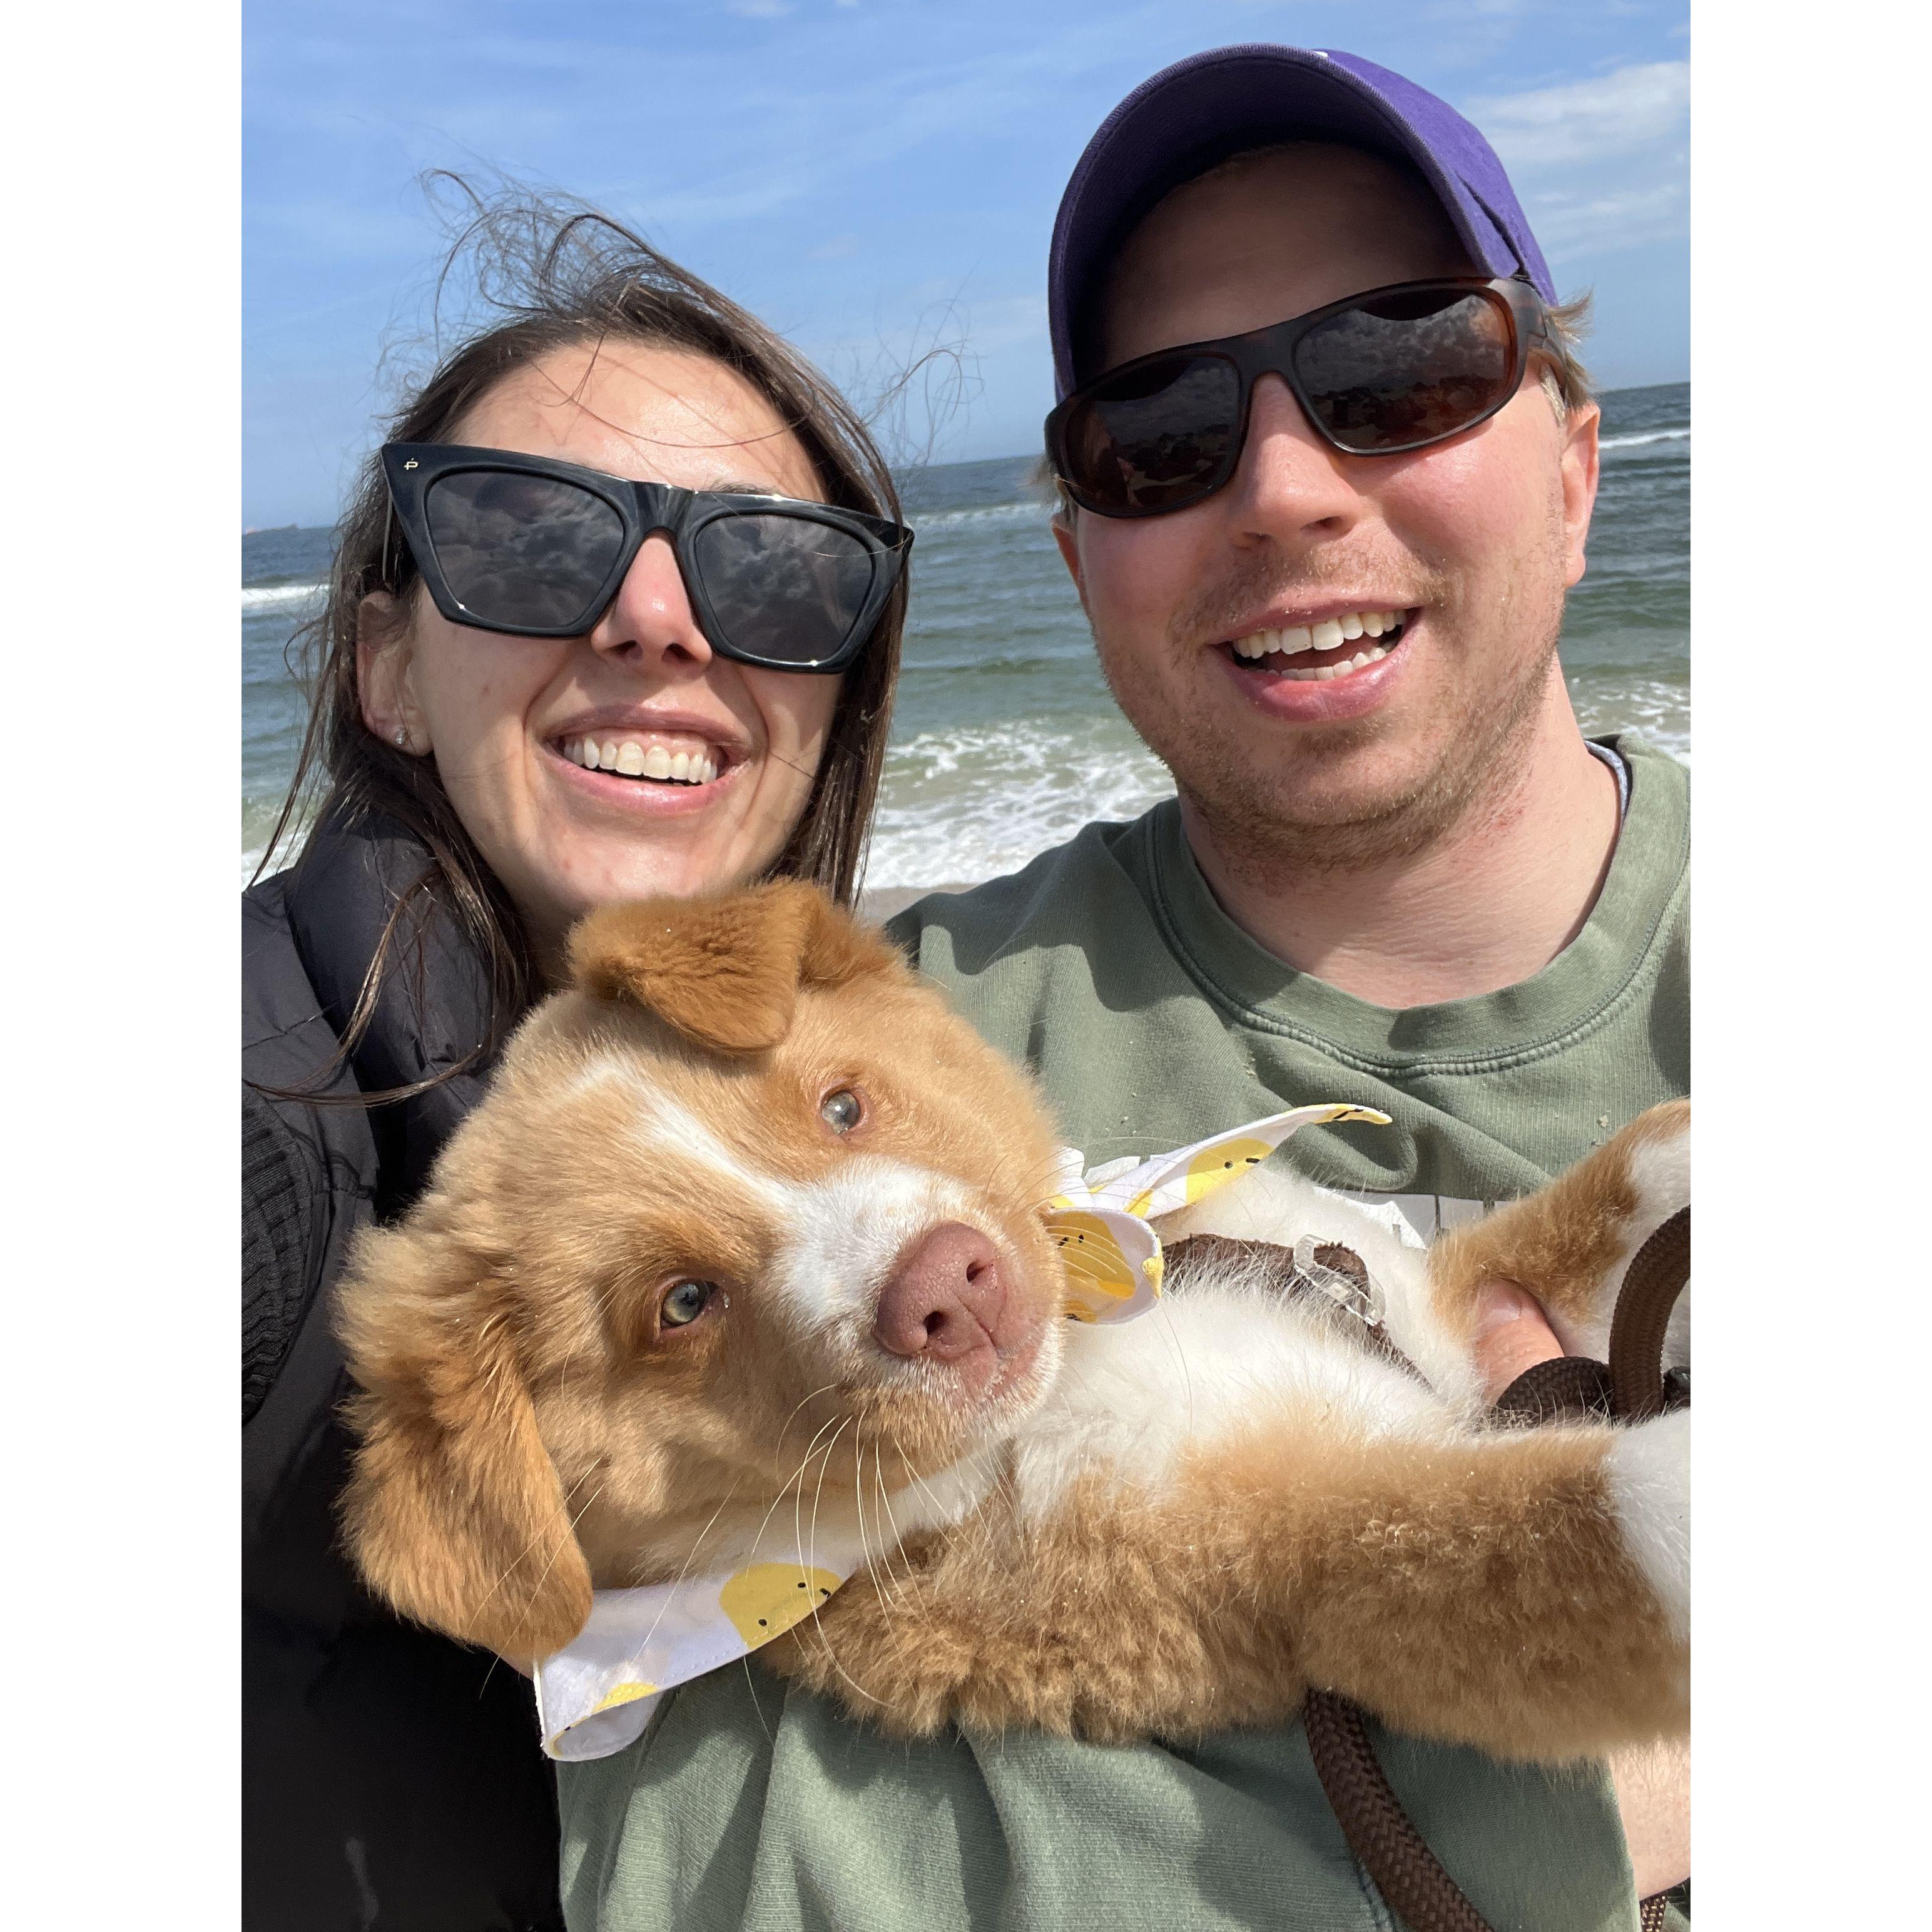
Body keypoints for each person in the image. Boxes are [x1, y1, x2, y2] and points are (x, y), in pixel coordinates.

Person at [560, 46, 1689, 1931]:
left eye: (1401, 369)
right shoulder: (875, 1069)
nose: (1282, 487)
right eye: (1160, 434)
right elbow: (690, 1861)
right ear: (1085, 557)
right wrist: (1574, 1802)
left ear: (1574, 466)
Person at [242, 201, 912, 1931]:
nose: (660, 621)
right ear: (390, 670)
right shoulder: (260, 1126)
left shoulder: (818, 1110)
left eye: (770, 568)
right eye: (530, 542)